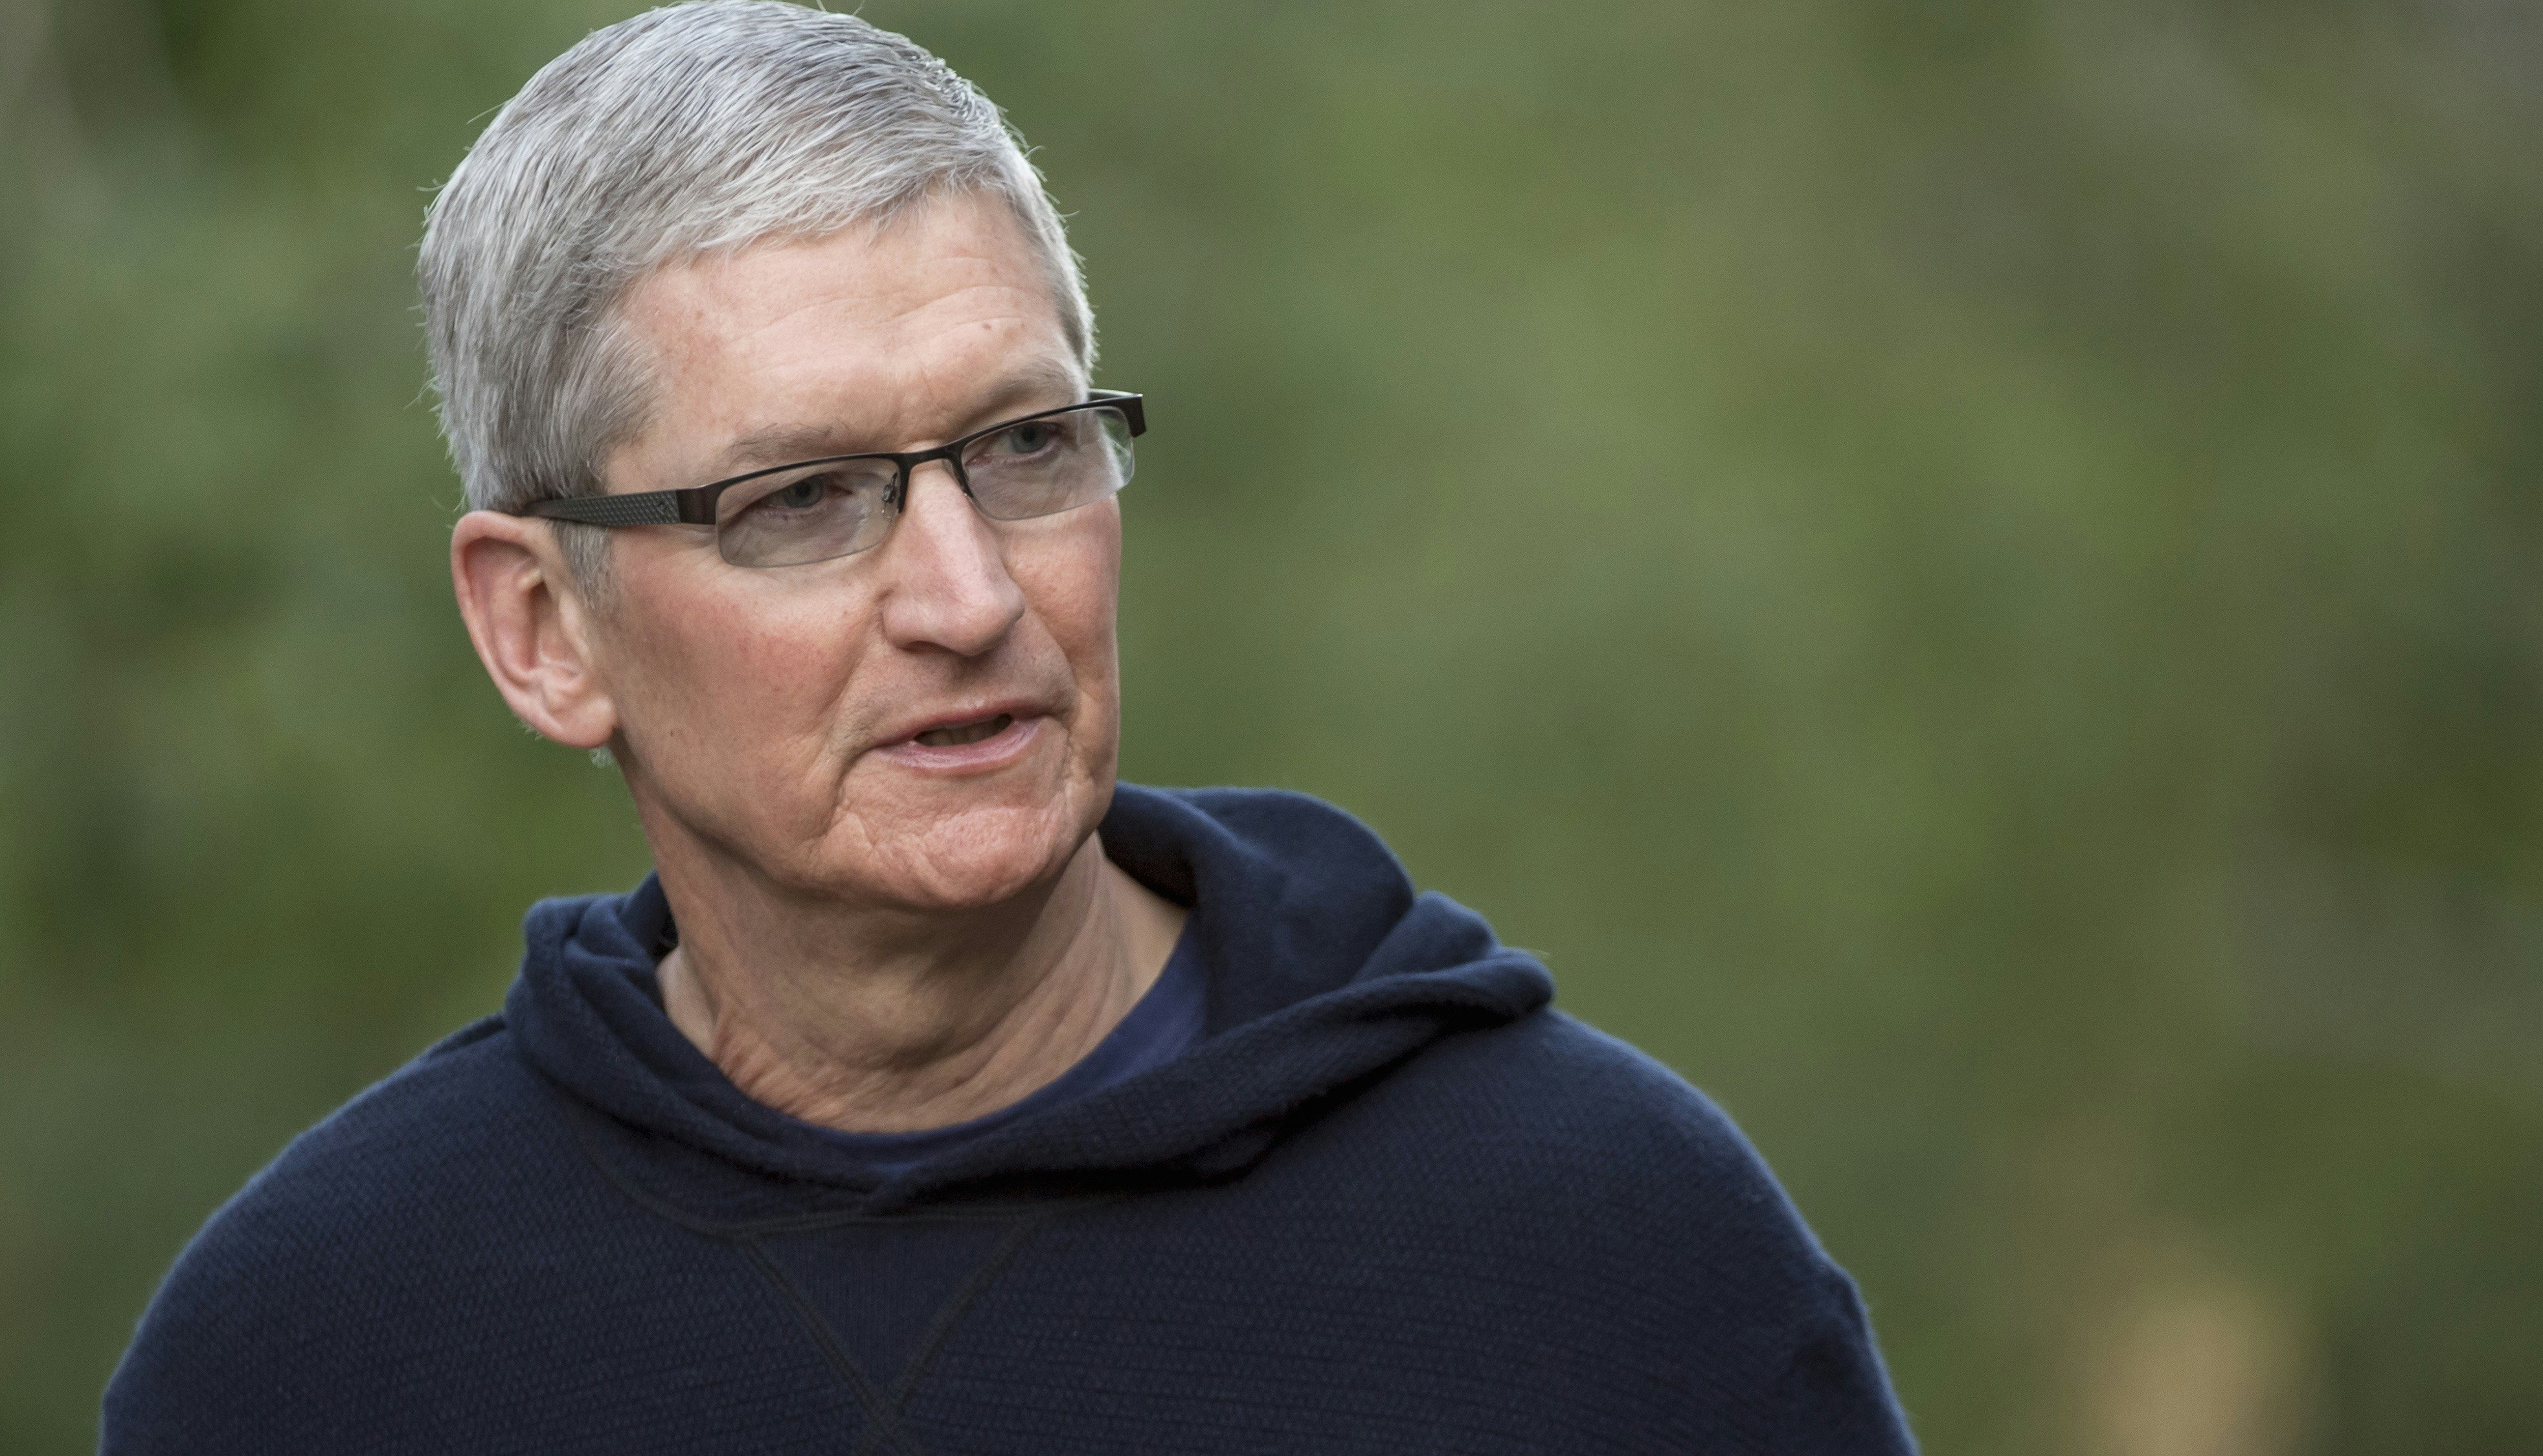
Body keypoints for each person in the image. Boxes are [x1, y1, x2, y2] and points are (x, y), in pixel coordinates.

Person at [102, 4, 1915, 1451]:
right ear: (543, 626)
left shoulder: (1602, 1250)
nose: (968, 594)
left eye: (1025, 448)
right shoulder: (316, 1351)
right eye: (807, 498)